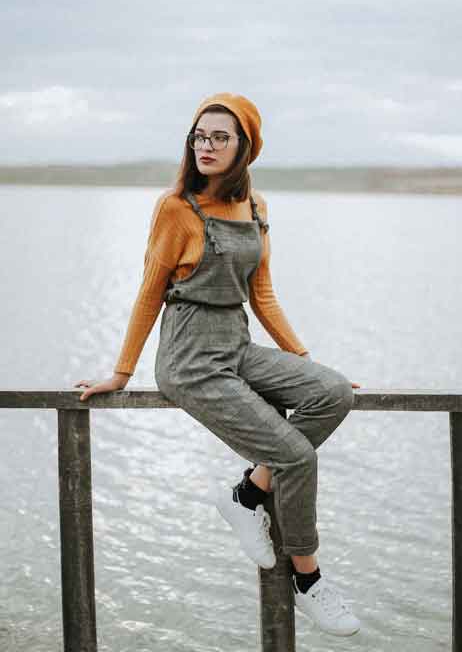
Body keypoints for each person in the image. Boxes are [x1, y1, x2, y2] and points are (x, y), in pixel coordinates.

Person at [74, 92, 361, 637]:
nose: (206, 146)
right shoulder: (176, 208)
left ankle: (248, 493)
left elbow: (264, 295)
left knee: (333, 393)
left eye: (219, 137)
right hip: (189, 359)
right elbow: (148, 293)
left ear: (244, 147)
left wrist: (304, 363)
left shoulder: (256, 210)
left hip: (236, 343)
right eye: (199, 136)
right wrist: (122, 372)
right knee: (296, 455)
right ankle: (308, 578)